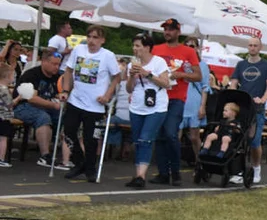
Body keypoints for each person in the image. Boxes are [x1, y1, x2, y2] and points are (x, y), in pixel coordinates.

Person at [58, 25, 121, 182]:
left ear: (102, 40)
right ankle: (80, 163)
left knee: (90, 138)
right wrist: (66, 90)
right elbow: (68, 71)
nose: (92, 40)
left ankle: (90, 168)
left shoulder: (107, 56)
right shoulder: (78, 50)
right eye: (90, 36)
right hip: (76, 99)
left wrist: (107, 95)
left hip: (95, 104)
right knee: (69, 132)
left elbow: (117, 77)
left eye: (96, 37)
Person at [151, 19, 201, 186]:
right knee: (159, 135)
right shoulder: (156, 49)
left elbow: (198, 75)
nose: (167, 32)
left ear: (178, 32)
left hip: (176, 98)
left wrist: (181, 75)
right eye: (165, 29)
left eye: (171, 29)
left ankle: (175, 171)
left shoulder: (188, 51)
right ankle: (163, 172)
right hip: (158, 97)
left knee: (171, 134)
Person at [124, 33, 171, 188]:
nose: (135, 49)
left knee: (146, 139)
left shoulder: (159, 62)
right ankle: (138, 175)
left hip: (156, 106)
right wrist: (132, 76)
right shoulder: (132, 64)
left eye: (138, 46)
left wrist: (147, 74)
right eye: (134, 46)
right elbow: (129, 88)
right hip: (137, 105)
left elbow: (166, 83)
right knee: (138, 141)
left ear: (147, 47)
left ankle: (141, 176)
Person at [227, 36, 267, 184]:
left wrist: (263, 99)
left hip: (257, 109)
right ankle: (238, 170)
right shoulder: (241, 64)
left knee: (254, 141)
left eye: (255, 45)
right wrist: (232, 96)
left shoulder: (266, 65)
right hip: (242, 107)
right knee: (237, 139)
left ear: (260, 47)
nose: (252, 48)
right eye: (250, 45)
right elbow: (233, 83)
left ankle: (256, 168)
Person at [13, 50, 70, 169]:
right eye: (54, 64)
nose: (57, 67)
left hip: (48, 107)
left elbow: (60, 93)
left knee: (68, 118)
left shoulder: (59, 76)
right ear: (44, 62)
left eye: (58, 64)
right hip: (24, 106)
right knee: (43, 118)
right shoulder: (31, 75)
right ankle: (45, 156)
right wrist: (53, 105)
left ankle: (69, 155)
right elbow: (31, 98)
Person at [180, 38, 211, 162]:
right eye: (187, 46)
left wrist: (202, 106)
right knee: (175, 135)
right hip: (181, 100)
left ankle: (200, 162)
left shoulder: (202, 65)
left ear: (197, 48)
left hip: (194, 101)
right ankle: (173, 163)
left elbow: (205, 87)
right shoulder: (179, 63)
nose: (190, 48)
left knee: (194, 136)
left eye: (192, 46)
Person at [0, 63, 16, 167]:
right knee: (3, 138)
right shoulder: (4, 89)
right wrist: (19, 98)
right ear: (7, 77)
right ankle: (1, 158)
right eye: (12, 76)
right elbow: (10, 104)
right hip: (3, 117)